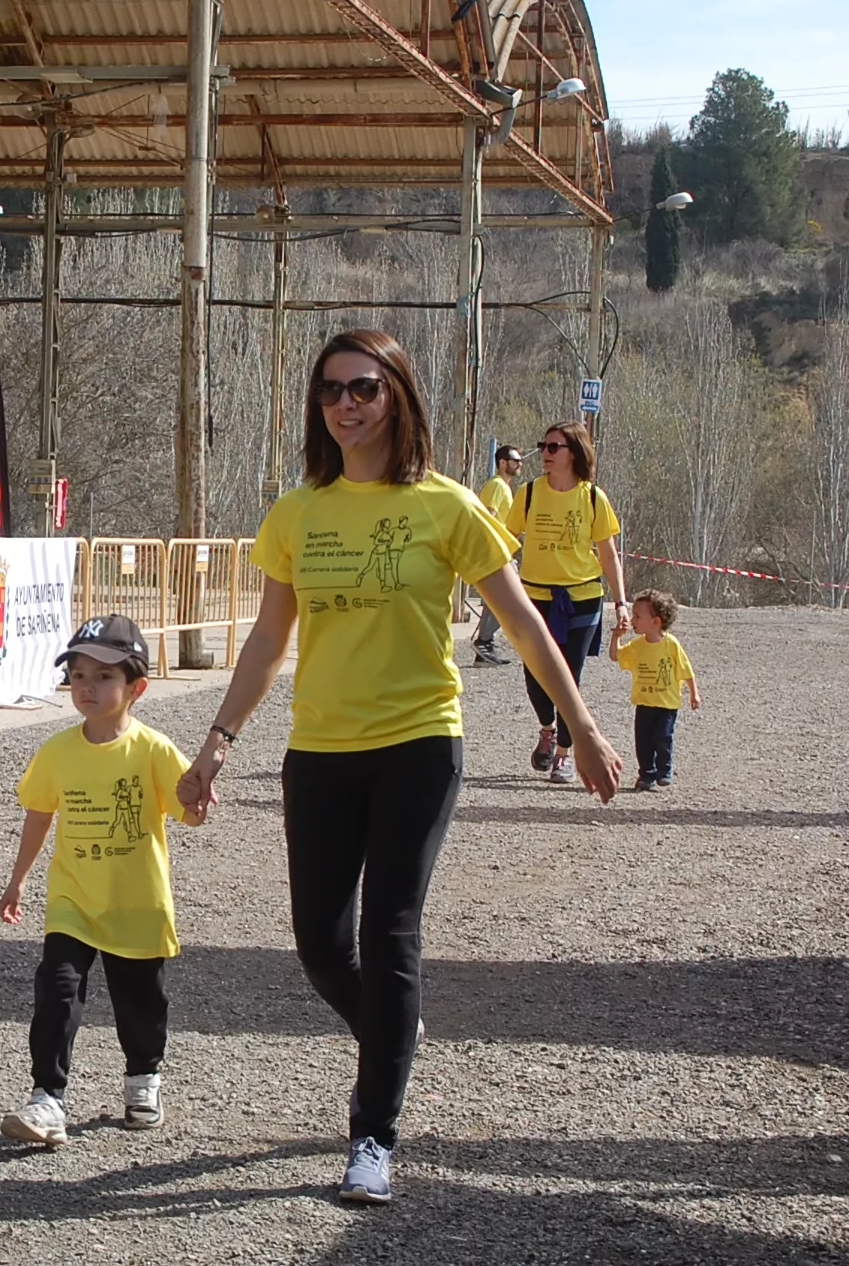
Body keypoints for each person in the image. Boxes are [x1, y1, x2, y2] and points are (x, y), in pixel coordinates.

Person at [175, 329, 620, 1207]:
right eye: (331, 390)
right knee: (318, 944)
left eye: (364, 388)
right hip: (322, 750)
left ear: (398, 397)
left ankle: (372, 1135)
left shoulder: (447, 506)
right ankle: (395, 1029)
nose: (346, 404)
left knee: (390, 932)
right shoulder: (297, 512)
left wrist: (584, 725)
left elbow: (526, 624)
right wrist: (219, 738)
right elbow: (271, 637)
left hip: (420, 742)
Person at [0, 612, 204, 1147]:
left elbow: (190, 810)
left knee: (140, 1002)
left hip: (137, 904)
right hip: (74, 901)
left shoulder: (154, 749)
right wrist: (19, 879)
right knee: (58, 990)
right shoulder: (58, 751)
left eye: (104, 676)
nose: (88, 687)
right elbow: (40, 813)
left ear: (136, 687)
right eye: (79, 675)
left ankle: (143, 1077)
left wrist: (198, 800)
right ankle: (47, 1098)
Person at [504, 422, 628, 787]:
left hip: (582, 597)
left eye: (553, 447)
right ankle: (547, 727)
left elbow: (608, 553)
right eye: (543, 445)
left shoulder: (593, 498)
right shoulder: (527, 493)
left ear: (573, 452)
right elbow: (505, 540)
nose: (545, 452)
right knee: (535, 675)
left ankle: (562, 757)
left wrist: (621, 602)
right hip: (536, 596)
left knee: (569, 679)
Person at [612, 589, 699, 790]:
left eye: (638, 616)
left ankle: (664, 770)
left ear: (655, 622)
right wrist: (616, 637)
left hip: (667, 705)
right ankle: (646, 775)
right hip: (644, 703)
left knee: (662, 736)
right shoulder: (637, 645)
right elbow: (616, 656)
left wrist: (694, 693)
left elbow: (686, 670)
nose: (632, 620)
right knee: (642, 742)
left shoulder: (671, 644)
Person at [471, 444, 525, 665]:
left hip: (502, 553)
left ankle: (485, 647)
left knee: (501, 600)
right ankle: (484, 641)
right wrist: (493, 551)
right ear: (503, 462)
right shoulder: (497, 486)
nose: (519, 465)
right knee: (507, 600)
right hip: (496, 553)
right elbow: (488, 517)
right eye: (515, 461)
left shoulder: (504, 487)